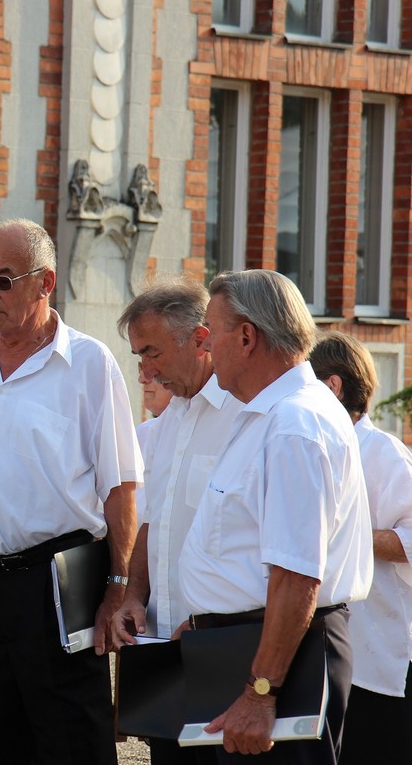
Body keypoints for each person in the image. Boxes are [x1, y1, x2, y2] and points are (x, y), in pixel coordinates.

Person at [0, 218, 141, 764]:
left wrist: (117, 585)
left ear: (45, 283)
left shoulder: (90, 364)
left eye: (3, 280)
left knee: (73, 744)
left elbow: (121, 487)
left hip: (55, 585)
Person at [181, 270, 372, 761]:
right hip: (254, 648)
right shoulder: (273, 414)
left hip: (278, 661)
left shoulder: (294, 424)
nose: (205, 345)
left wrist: (261, 691)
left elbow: (296, 575)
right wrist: (206, 618)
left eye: (210, 331)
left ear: (247, 337)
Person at [110, 280, 245, 765]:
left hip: (226, 648)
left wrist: (213, 619)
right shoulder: (167, 422)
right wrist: (133, 595)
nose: (145, 371)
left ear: (201, 339)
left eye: (152, 353)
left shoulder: (244, 415)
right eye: (138, 356)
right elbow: (154, 522)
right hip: (166, 651)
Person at [308, 332, 412, 765]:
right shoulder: (317, 447)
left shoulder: (384, 453)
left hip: (377, 658)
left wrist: (347, 535)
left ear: (332, 387)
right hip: (323, 653)